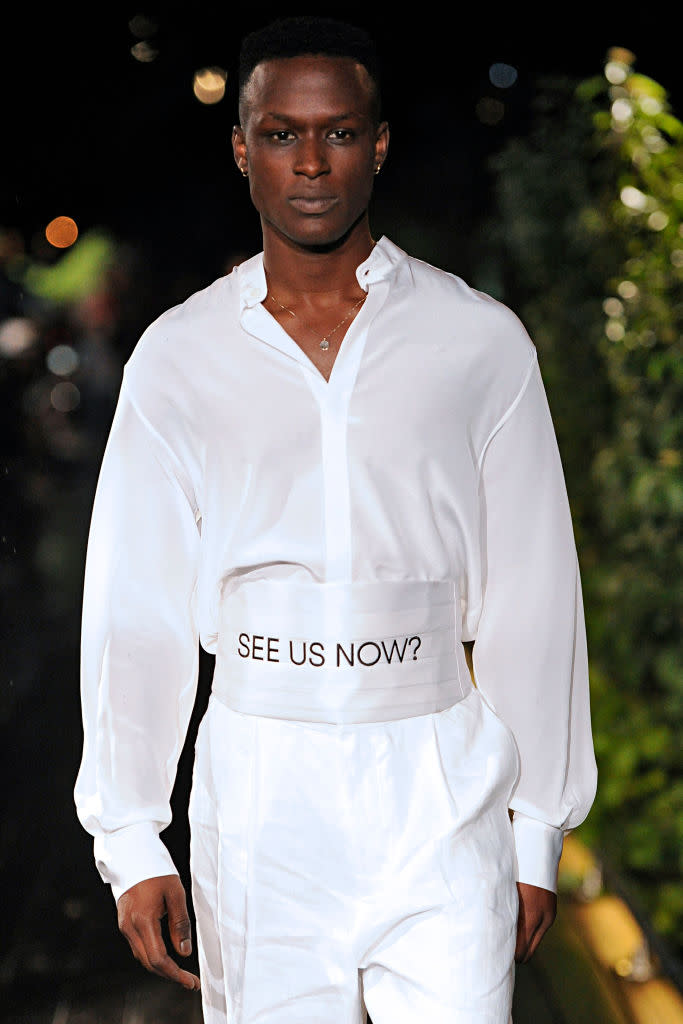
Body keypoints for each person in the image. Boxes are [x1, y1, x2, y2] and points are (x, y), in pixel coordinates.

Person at [74, 15, 598, 1023]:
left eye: (340, 132)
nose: (311, 161)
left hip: (440, 782)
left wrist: (534, 828)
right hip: (262, 792)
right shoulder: (178, 359)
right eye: (281, 133)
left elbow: (536, 591)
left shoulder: (476, 341)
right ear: (242, 148)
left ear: (379, 142)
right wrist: (131, 833)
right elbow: (133, 604)